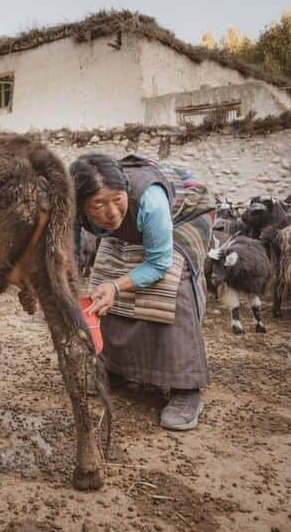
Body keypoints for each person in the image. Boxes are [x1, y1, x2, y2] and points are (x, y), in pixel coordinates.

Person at [71, 153, 213, 431]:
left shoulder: (150, 199)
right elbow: (69, 252)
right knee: (105, 273)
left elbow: (159, 262)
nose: (111, 212)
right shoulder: (70, 204)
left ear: (125, 189)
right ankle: (115, 368)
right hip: (133, 225)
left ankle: (186, 387)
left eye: (117, 199)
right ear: (80, 205)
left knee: (170, 282)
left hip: (187, 213)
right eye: (98, 204)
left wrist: (116, 286)